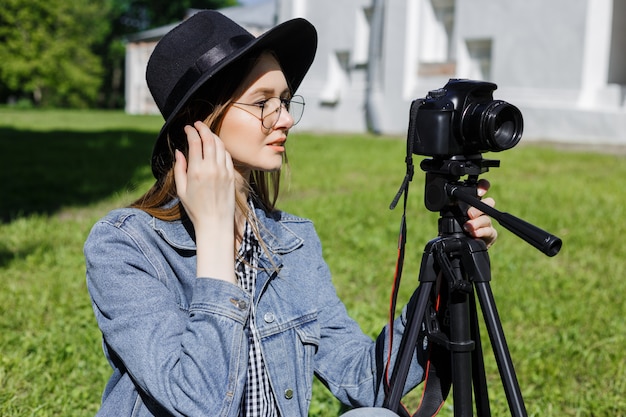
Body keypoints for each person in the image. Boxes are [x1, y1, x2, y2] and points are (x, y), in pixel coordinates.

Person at [84, 10, 498, 417]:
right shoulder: (126, 246)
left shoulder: (291, 242)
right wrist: (214, 238)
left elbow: (364, 381)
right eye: (263, 102)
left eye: (284, 102)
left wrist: (446, 278)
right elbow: (197, 403)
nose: (284, 119)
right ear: (200, 122)